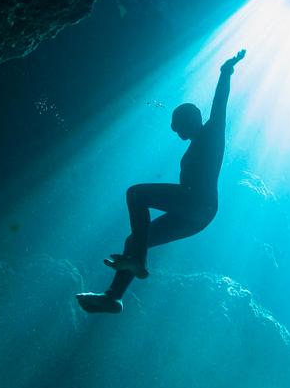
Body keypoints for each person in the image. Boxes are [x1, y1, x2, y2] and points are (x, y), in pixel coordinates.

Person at [77, 49, 246, 313]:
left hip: (198, 202)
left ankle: (138, 260)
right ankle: (113, 297)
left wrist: (226, 72)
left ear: (190, 120)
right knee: (134, 240)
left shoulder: (212, 133)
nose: (174, 130)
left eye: (177, 124)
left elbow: (219, 103)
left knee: (136, 194)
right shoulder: (198, 142)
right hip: (199, 214)